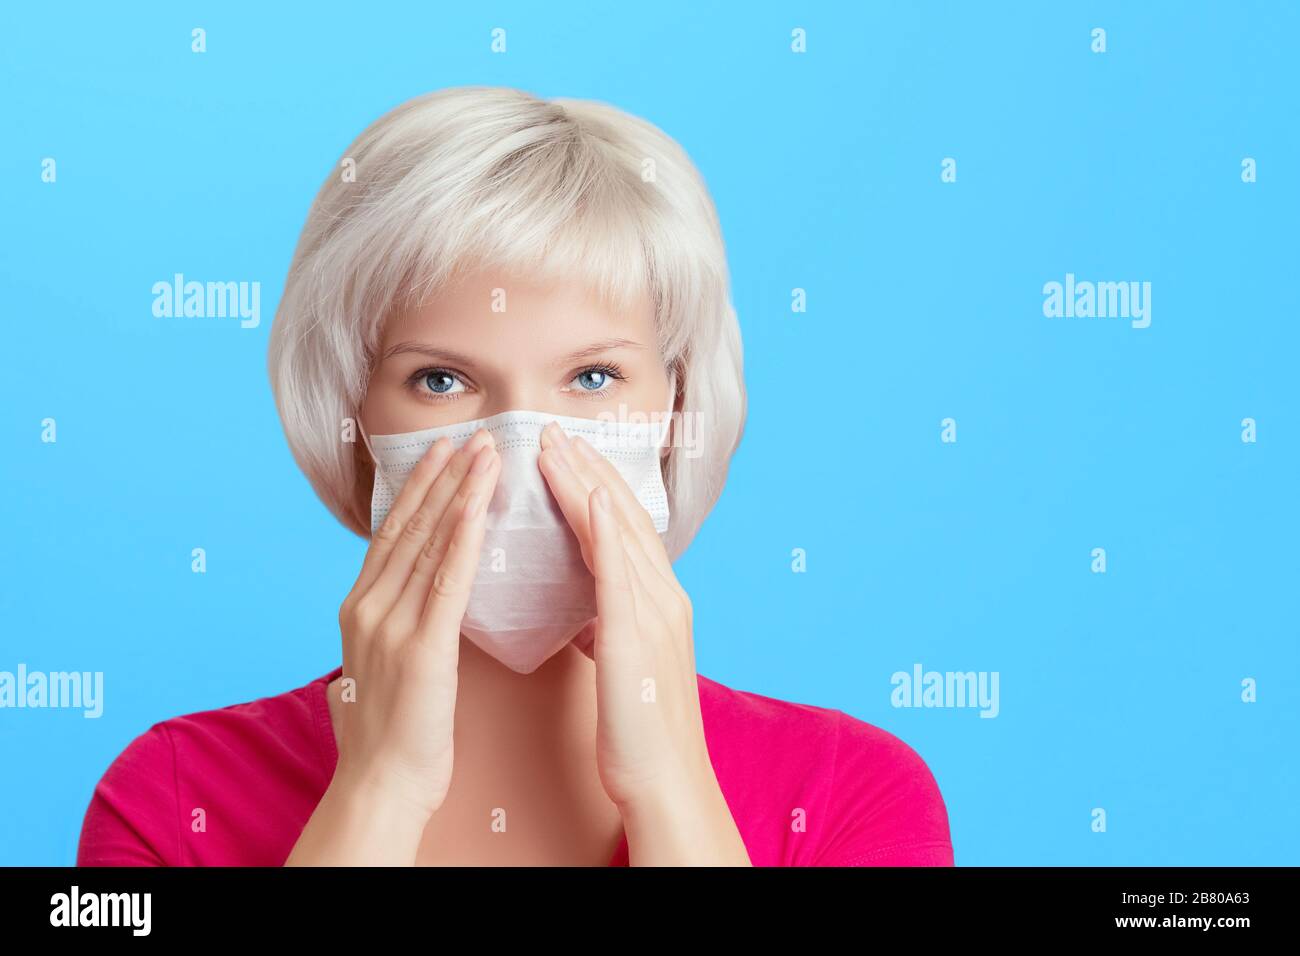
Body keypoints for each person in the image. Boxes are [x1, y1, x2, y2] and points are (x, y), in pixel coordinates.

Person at [76, 86, 954, 866]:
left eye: (593, 378)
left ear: (678, 412)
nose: (522, 441)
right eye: (442, 380)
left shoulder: (851, 796)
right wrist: (378, 792)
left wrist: (671, 790)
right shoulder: (173, 799)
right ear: (354, 422)